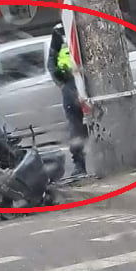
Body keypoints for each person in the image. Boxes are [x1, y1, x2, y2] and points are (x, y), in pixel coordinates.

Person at [47, 23, 87, 178]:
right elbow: (51, 62)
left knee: (84, 125)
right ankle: (80, 164)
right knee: (75, 128)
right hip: (71, 83)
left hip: (90, 81)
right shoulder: (60, 30)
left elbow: (51, 62)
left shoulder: (77, 24)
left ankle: (86, 163)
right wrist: (62, 84)